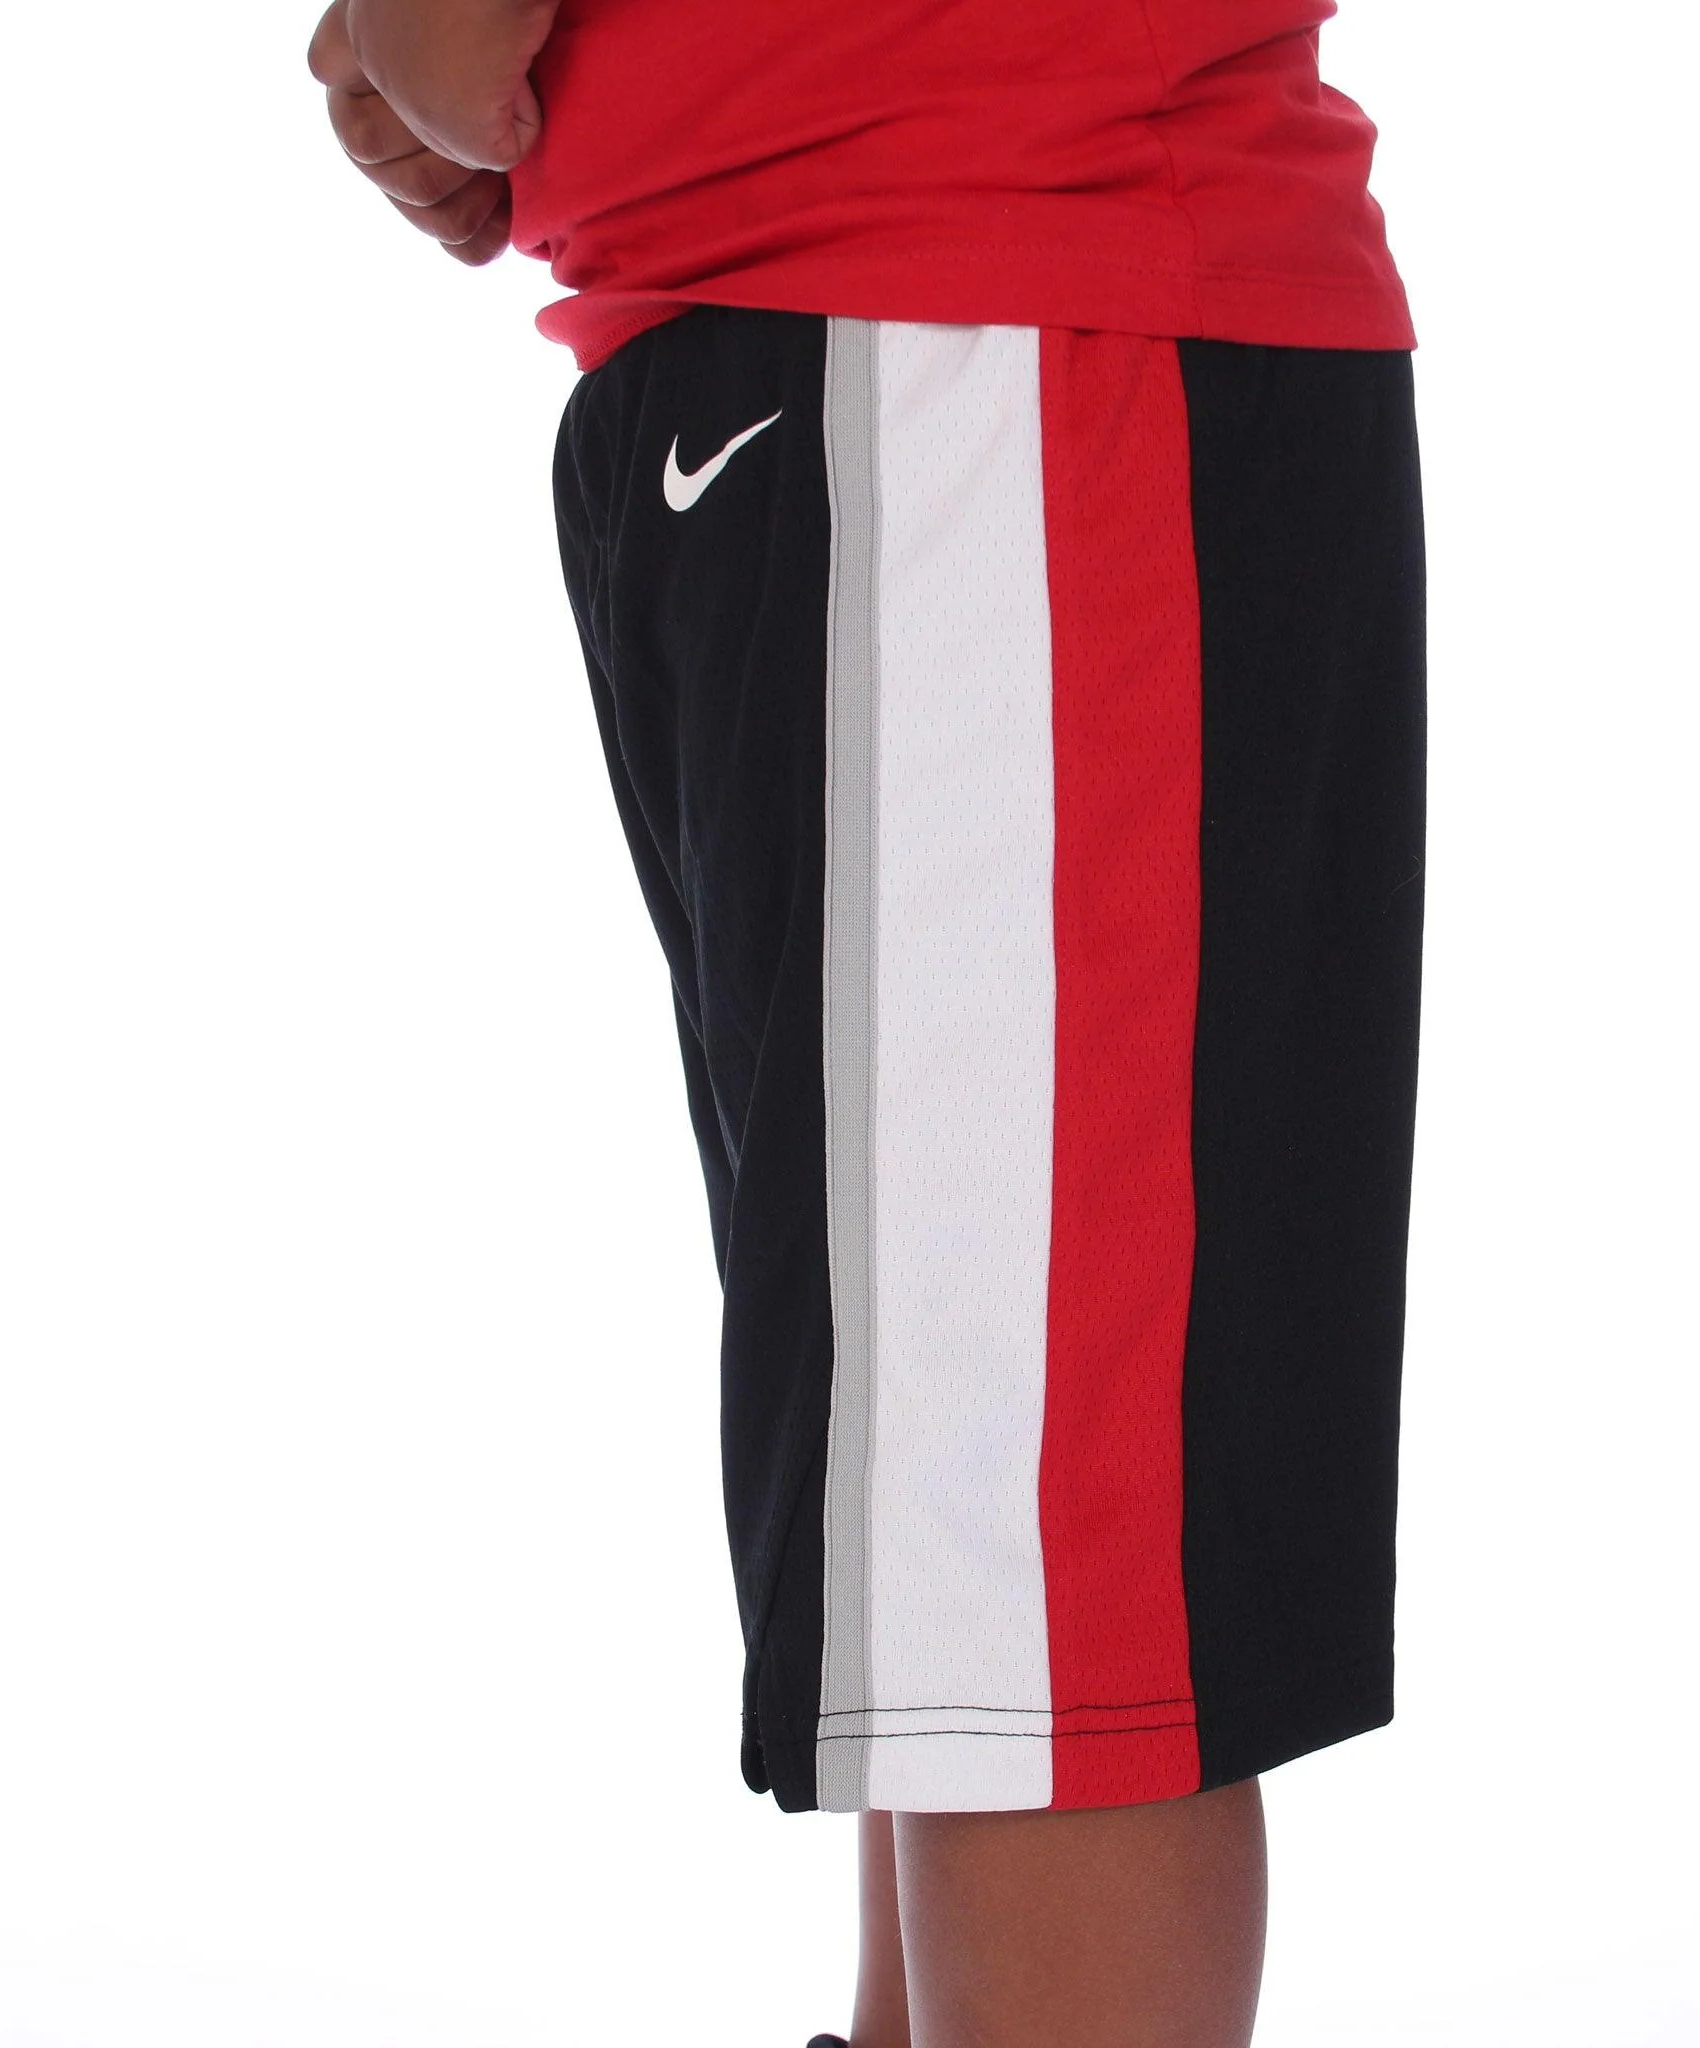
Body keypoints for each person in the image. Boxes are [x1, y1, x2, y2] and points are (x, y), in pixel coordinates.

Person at [306, 3, 1426, 2042]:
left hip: (981, 303)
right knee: (956, 1561)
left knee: (1035, 1600)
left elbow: (454, 55)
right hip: (866, 326)